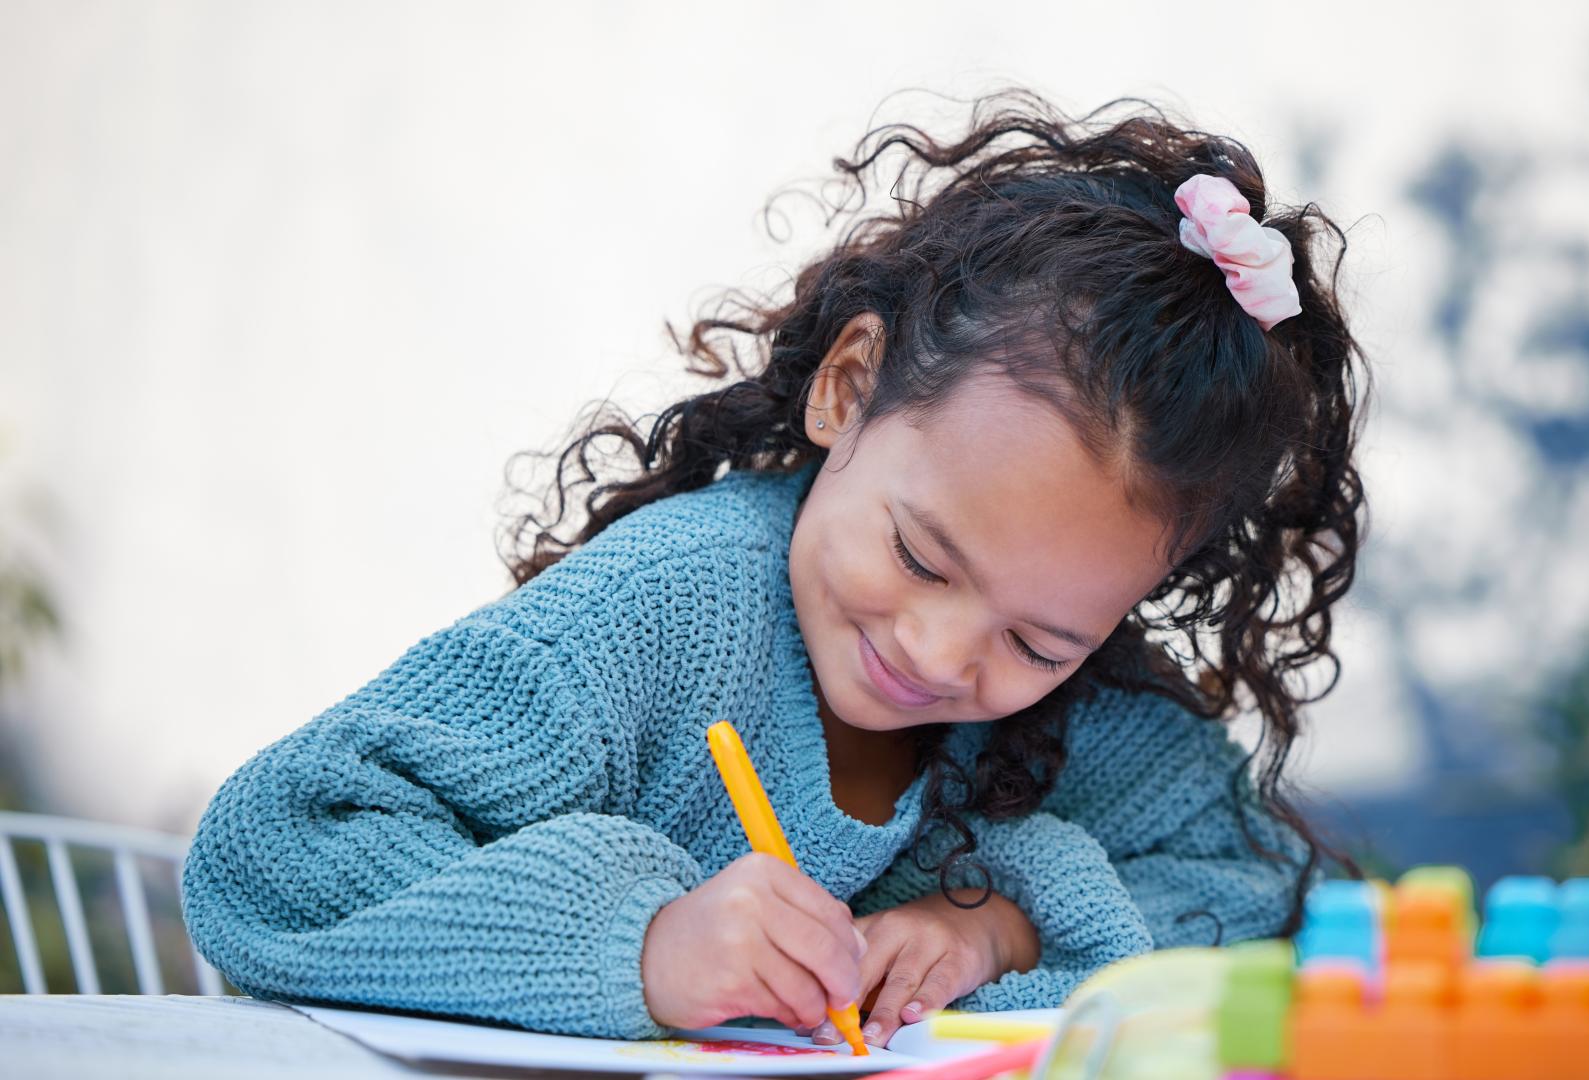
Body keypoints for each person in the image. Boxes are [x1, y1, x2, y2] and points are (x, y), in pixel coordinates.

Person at [181, 89, 1370, 1049]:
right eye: (919, 556)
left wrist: (999, 923)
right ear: (847, 387)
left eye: (1037, 641)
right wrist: (641, 942)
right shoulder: (662, 613)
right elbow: (278, 846)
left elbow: (1269, 897)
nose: (939, 652)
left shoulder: (1082, 698)